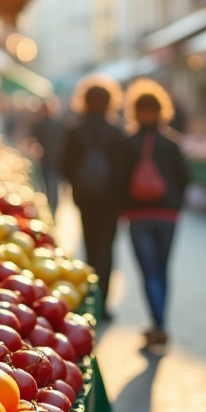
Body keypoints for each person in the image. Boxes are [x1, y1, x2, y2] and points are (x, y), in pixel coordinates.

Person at [120, 79, 190, 348]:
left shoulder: (127, 144)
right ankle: (161, 323)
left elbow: (120, 181)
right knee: (162, 269)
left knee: (149, 271)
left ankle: (157, 324)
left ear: (134, 111)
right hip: (167, 215)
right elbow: (185, 178)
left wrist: (123, 206)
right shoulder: (171, 143)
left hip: (138, 215)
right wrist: (174, 205)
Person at [62, 76, 125, 321]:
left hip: (85, 198)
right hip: (111, 201)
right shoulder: (116, 132)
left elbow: (65, 165)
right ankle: (105, 303)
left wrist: (78, 187)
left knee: (89, 245)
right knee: (107, 248)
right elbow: (124, 169)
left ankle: (91, 299)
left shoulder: (75, 130)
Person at [30, 96, 67, 217]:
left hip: (47, 159)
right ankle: (52, 210)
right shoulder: (59, 124)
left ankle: (48, 209)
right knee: (53, 187)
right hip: (56, 159)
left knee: (46, 185)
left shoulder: (40, 124)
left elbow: (33, 142)